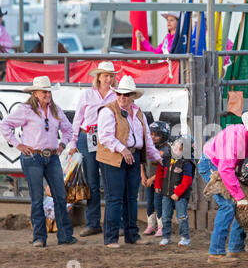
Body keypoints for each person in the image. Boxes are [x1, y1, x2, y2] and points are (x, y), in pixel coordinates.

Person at [0, 76, 77, 247]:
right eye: (44, 92)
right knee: (38, 197)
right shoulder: (26, 110)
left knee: (60, 196)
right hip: (33, 156)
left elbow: (68, 129)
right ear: (35, 93)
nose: (47, 94)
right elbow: (5, 125)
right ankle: (40, 236)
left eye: (48, 91)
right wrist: (18, 144)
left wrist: (63, 144)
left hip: (49, 156)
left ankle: (60, 236)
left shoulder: (55, 110)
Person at [198, 112, 248, 264]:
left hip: (231, 167)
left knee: (243, 205)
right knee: (228, 205)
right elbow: (225, 169)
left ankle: (236, 248)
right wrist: (239, 196)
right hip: (212, 164)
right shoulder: (235, 139)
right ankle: (216, 253)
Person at [96, 75, 162, 249]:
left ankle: (131, 234)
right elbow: (105, 137)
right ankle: (111, 238)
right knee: (115, 198)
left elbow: (146, 136)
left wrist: (156, 156)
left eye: (125, 95)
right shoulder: (108, 111)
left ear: (133, 96)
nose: (122, 97)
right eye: (119, 94)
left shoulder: (138, 112)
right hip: (114, 159)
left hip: (132, 156)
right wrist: (123, 149)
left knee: (130, 198)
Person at [68, 61, 119, 237]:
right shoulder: (87, 94)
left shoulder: (116, 95)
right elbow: (78, 118)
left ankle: (112, 223)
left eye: (111, 75)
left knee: (110, 180)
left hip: (106, 138)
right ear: (98, 77)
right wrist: (73, 142)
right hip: (87, 135)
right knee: (92, 183)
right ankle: (93, 222)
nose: (109, 79)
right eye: (106, 75)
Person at [155, 135, 195, 247]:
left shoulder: (187, 163)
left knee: (181, 216)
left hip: (180, 195)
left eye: (179, 145)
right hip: (166, 193)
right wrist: (158, 185)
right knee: (165, 216)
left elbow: (187, 181)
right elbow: (159, 172)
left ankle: (185, 237)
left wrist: (177, 193)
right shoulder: (166, 159)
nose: (175, 147)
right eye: (175, 144)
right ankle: (166, 236)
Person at [141, 120, 171, 236]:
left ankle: (161, 227)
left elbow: (162, 169)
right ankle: (150, 225)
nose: (153, 137)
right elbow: (142, 163)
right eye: (152, 134)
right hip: (148, 181)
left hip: (159, 182)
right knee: (149, 203)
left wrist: (151, 179)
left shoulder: (165, 150)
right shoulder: (146, 148)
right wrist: (143, 176)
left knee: (158, 202)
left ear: (164, 136)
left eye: (157, 135)